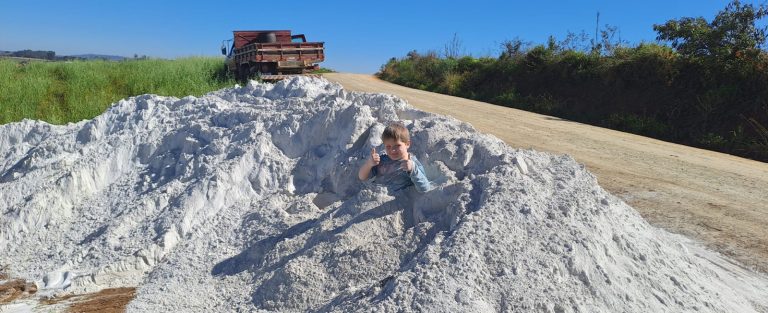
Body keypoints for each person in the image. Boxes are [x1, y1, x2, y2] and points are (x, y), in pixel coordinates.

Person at [358, 123, 431, 193]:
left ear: (407, 144)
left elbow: (425, 188)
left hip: (395, 202)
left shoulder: (412, 163)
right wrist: (369, 164)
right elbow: (362, 177)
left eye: (397, 145)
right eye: (388, 146)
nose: (393, 150)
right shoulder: (382, 160)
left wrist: (412, 169)